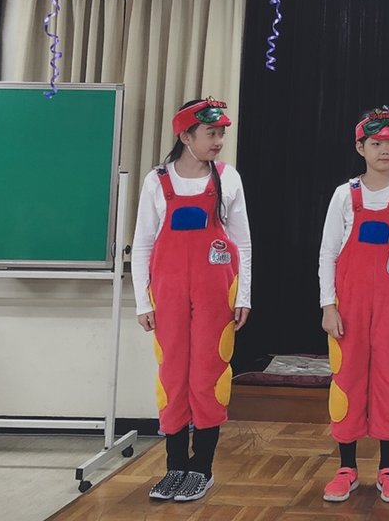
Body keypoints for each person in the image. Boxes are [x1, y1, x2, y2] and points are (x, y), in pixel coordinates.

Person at [133, 97, 252, 503]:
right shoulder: (157, 181)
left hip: (216, 291)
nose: (218, 141)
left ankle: (201, 467)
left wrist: (244, 295)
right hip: (167, 293)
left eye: (221, 134)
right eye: (210, 133)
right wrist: (142, 302)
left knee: (208, 373)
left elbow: (243, 243)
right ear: (185, 136)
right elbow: (142, 244)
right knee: (172, 375)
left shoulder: (227, 179)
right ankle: (174, 467)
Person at [319, 107, 389, 504]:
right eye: (377, 143)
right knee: (346, 378)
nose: (385, 150)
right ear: (360, 147)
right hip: (348, 305)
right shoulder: (344, 195)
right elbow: (328, 252)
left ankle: (388, 469)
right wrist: (328, 305)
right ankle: (346, 468)